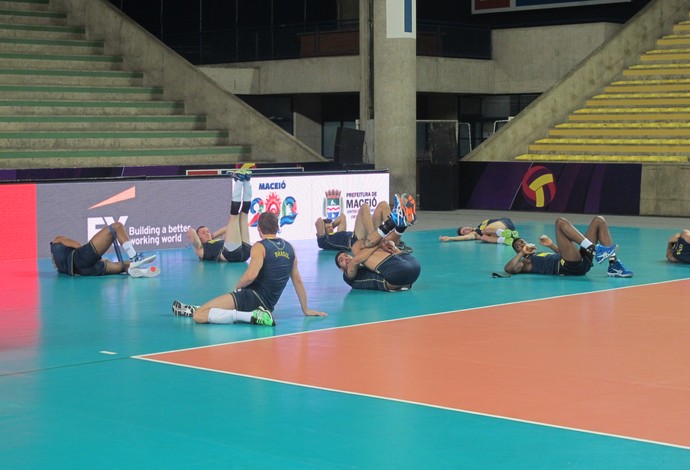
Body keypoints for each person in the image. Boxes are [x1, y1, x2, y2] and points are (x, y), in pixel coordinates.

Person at [172, 211, 327, 326]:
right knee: (211, 307)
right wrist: (306, 309)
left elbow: (251, 275)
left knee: (199, 316)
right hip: (268, 305)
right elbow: (298, 280)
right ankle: (253, 314)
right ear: (277, 227)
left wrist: (238, 287)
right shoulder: (290, 248)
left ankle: (251, 317)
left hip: (251, 297)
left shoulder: (260, 247)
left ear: (259, 228)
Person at [335, 194, 421, 291]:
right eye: (341, 260)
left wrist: (391, 247)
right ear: (341, 269)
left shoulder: (367, 263)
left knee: (386, 245)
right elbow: (356, 260)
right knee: (357, 249)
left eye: (346, 256)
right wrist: (379, 243)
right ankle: (397, 223)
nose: (345, 258)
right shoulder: (348, 275)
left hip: (412, 268)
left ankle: (401, 224)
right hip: (402, 274)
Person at [504, 216, 633, 278]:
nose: (521, 244)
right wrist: (521, 254)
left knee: (599, 221)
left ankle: (613, 265)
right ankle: (595, 249)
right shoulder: (525, 262)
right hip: (568, 267)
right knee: (560, 222)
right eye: (517, 246)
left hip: (578, 261)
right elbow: (508, 269)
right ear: (516, 251)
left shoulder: (539, 253)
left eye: (521, 241)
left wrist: (551, 245)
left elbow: (564, 253)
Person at [187, 170, 252, 262]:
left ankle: (246, 181)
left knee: (244, 214)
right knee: (234, 216)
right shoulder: (200, 249)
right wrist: (208, 236)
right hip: (231, 254)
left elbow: (227, 228)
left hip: (245, 253)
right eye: (203, 233)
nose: (207, 233)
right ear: (199, 238)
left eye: (208, 231)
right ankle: (239, 181)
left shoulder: (213, 240)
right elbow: (192, 232)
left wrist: (212, 235)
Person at [50, 222, 158, 277]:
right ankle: (135, 258)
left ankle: (139, 271)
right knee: (116, 227)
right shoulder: (58, 239)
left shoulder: (56, 263)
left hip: (83, 272)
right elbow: (77, 244)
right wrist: (95, 257)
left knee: (123, 266)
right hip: (80, 259)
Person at [439, 217, 519, 245]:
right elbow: (467, 238)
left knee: (484, 231)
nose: (466, 229)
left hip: (504, 223)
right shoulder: (474, 234)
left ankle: (506, 233)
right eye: (464, 231)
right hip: (503, 232)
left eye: (465, 227)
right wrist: (450, 238)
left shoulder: (479, 227)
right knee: (483, 237)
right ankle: (506, 240)